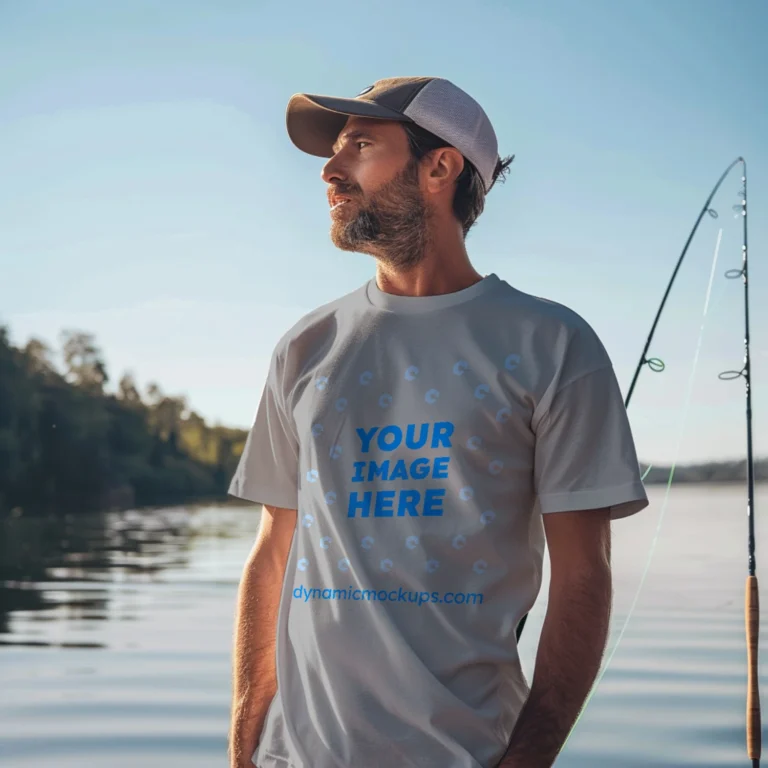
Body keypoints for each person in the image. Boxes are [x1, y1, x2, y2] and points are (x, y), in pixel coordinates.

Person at [227, 76, 649, 768]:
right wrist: (245, 743)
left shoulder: (551, 345)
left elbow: (584, 575)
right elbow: (275, 551)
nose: (331, 170)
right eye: (334, 152)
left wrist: (527, 758)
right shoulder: (304, 347)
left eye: (360, 145)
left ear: (440, 166)